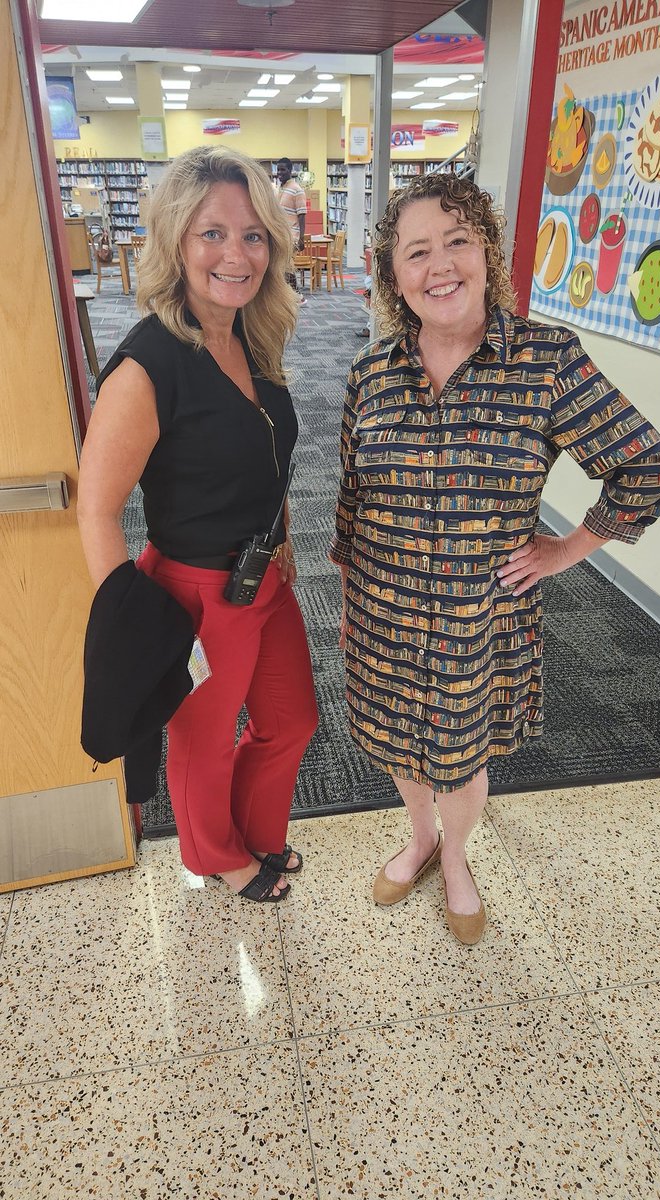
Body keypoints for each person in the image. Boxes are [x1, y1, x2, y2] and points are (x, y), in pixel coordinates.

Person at [329, 172, 660, 945]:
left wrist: (567, 549)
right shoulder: (371, 374)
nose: (440, 265)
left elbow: (647, 466)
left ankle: (456, 857)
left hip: (476, 615)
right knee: (396, 740)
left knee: (459, 752)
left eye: (457, 241)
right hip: (383, 610)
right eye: (417, 252)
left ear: (487, 253)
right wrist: (351, 604)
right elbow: (351, 503)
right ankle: (417, 837)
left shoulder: (545, 360)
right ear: (394, 275)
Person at [78, 146, 318, 903]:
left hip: (265, 575)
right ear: (177, 239)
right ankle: (215, 853)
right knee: (203, 743)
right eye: (212, 233)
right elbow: (96, 507)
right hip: (194, 593)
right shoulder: (146, 364)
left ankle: (259, 832)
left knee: (293, 720)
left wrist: (283, 541)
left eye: (252, 235)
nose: (235, 255)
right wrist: (132, 620)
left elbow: (267, 452)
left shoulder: (253, 332)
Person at [276, 156, 307, 303]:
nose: (280, 173)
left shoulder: (297, 190)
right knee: (283, 265)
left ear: (290, 170)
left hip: (292, 236)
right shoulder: (280, 189)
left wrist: (301, 238)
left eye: (283, 169)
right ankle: (290, 295)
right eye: (278, 170)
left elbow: (302, 215)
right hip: (281, 235)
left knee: (285, 265)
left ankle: (297, 295)